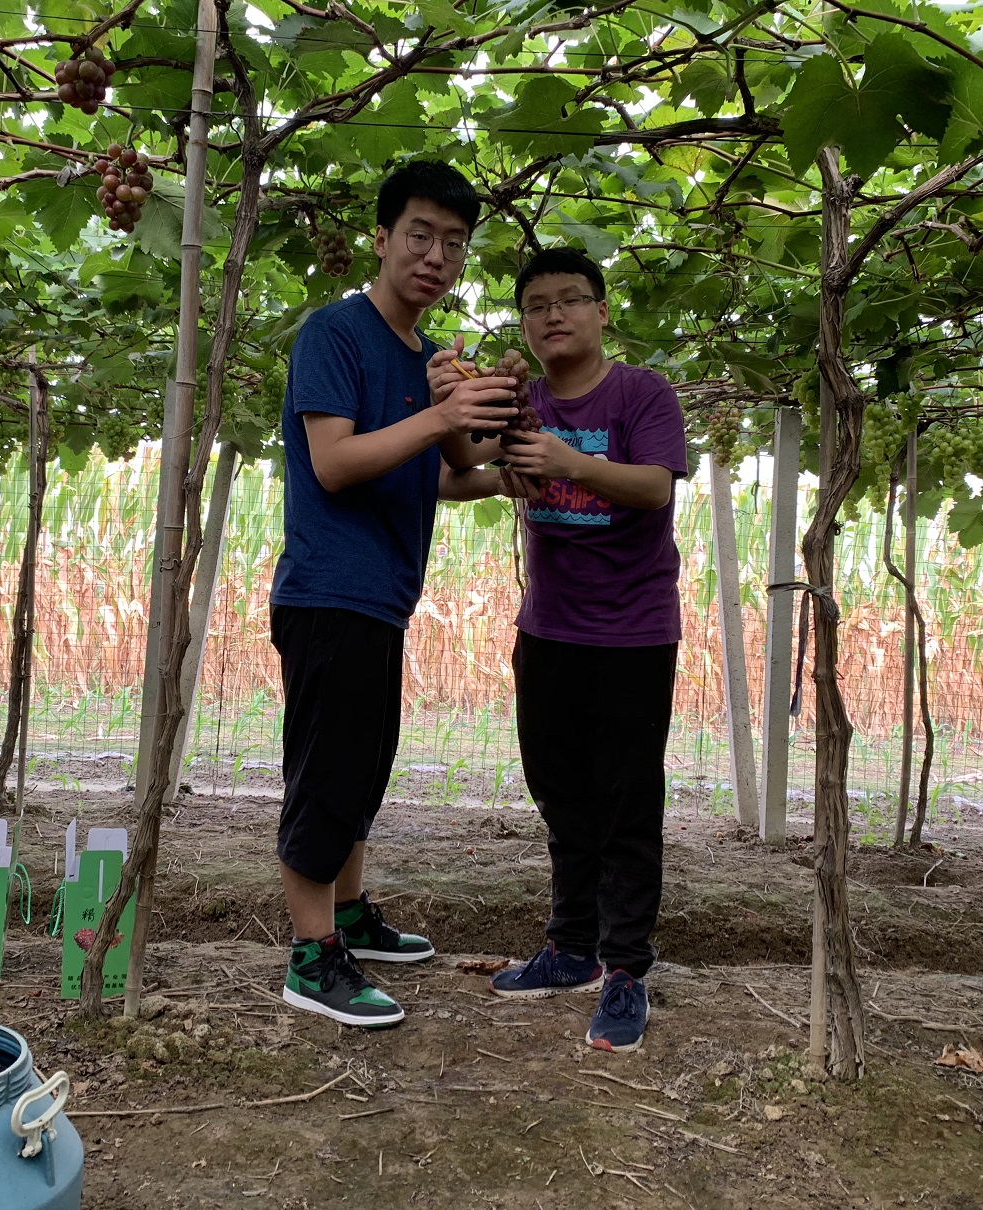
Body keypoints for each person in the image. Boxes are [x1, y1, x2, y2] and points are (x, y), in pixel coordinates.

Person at [269, 160, 526, 1027]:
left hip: (381, 597)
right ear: (381, 239)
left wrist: (494, 469)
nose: (435, 256)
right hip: (328, 591)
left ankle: (347, 917)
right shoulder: (334, 334)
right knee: (324, 778)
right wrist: (443, 417)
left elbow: (432, 473)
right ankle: (312, 958)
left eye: (453, 243)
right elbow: (336, 463)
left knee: (360, 774)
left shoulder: (426, 358)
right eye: (419, 235)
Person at [430, 246, 687, 1053]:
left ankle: (625, 970)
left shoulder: (641, 393)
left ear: (600, 311)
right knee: (562, 798)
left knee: (626, 805)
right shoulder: (521, 401)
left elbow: (654, 485)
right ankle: (571, 949)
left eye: (570, 299)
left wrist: (572, 462)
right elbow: (452, 474)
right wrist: (451, 414)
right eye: (536, 305)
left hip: (632, 635)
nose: (553, 315)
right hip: (546, 633)